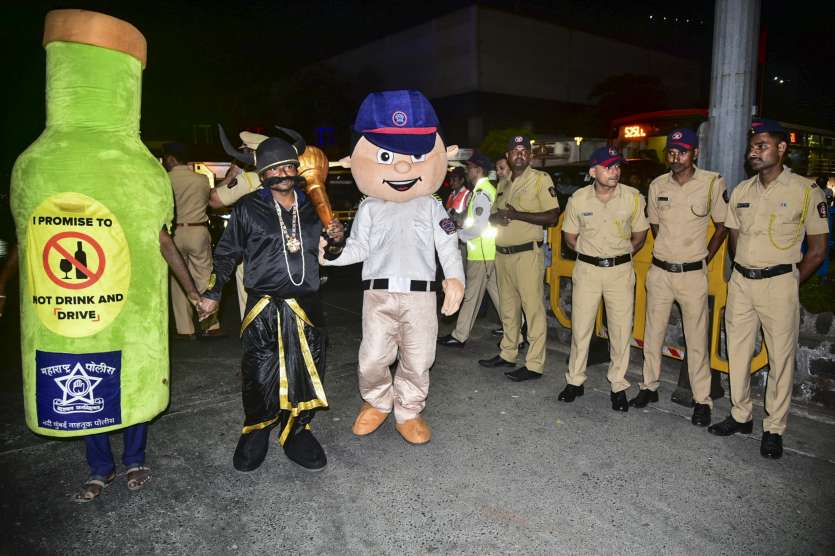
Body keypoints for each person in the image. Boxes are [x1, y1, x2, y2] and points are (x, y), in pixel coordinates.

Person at [320, 90, 464, 445]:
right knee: (371, 357)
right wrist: (331, 252)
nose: (402, 166)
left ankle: (409, 410)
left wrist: (455, 279)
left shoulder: (431, 206)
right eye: (386, 155)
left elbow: (447, 244)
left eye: (415, 154)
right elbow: (358, 247)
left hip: (420, 296)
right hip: (378, 294)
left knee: (419, 358)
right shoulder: (370, 207)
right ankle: (378, 401)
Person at [199, 128, 340, 471]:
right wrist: (213, 292)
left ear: (296, 168)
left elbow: (331, 253)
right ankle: (257, 431)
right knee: (260, 374)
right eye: (273, 170)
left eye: (288, 167)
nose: (282, 174)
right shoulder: (248, 208)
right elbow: (226, 253)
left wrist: (336, 240)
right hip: (262, 306)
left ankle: (297, 432)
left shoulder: (313, 206)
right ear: (262, 175)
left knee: (306, 372)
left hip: (306, 306)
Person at [708, 119, 829, 459]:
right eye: (751, 147)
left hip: (780, 284)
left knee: (780, 360)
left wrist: (789, 280)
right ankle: (740, 414)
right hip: (743, 283)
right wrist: (744, 271)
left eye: (761, 145)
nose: (753, 152)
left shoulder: (805, 191)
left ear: (781, 148)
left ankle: (773, 428)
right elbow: (734, 238)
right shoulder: (743, 191)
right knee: (738, 352)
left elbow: (818, 250)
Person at [77, 226, 202, 501]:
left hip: (133, 300)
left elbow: (164, 241)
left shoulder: (136, 191)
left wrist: (192, 293)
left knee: (135, 382)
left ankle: (134, 458)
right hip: (85, 303)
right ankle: (101, 467)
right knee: (88, 385)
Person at [629, 129, 728, 427]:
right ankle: (649, 387)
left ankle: (702, 401)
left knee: (696, 339)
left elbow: (722, 226)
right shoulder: (658, 184)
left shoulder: (712, 183)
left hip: (692, 275)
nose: (676, 156)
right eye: (671, 151)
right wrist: (667, 252)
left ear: (694, 153)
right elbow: (655, 225)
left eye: (682, 151)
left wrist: (704, 258)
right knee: (653, 333)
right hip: (660, 271)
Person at [557, 146, 649, 411]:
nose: (615, 172)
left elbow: (640, 233)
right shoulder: (578, 199)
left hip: (620, 272)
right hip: (587, 270)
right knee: (581, 327)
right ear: (593, 171)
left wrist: (625, 252)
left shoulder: (632, 198)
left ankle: (618, 385)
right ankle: (575, 381)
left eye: (617, 167)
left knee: (621, 330)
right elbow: (569, 237)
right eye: (608, 167)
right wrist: (590, 254)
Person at [478, 135, 560, 381]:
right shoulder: (503, 183)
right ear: (508, 156)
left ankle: (534, 364)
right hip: (503, 254)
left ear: (531, 156)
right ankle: (508, 352)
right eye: (515, 151)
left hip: (527, 254)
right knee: (508, 308)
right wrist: (498, 219)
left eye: (525, 150)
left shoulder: (540, 180)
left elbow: (553, 216)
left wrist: (519, 216)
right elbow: (492, 216)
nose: (520, 154)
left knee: (532, 309)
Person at [438, 151, 500, 347]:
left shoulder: (482, 192)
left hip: (480, 252)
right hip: (487, 251)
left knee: (471, 296)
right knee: (499, 296)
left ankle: (459, 335)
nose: (467, 172)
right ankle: (518, 332)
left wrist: (459, 235)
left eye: (470, 168)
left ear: (478, 170)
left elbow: (479, 226)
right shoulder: (485, 190)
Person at [162, 142, 222, 339]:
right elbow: (210, 202)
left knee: (178, 280)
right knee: (204, 276)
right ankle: (210, 324)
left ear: (171, 158)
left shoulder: (164, 180)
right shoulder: (201, 179)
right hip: (198, 230)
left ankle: (185, 329)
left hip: (174, 233)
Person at [210, 130, 267, 320]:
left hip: (251, 249)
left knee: (250, 303)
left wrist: (230, 176)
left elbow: (214, 200)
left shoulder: (248, 179)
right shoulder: (285, 179)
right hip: (278, 250)